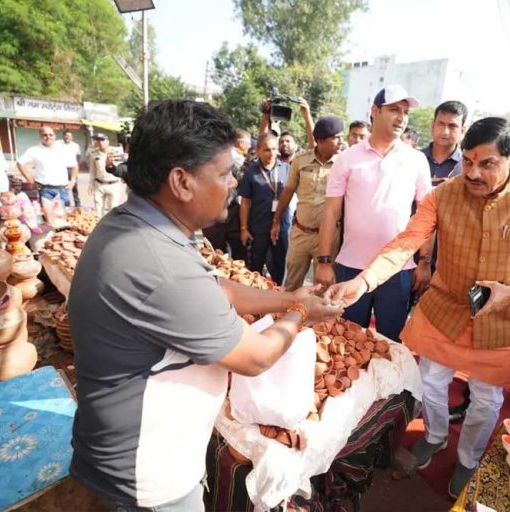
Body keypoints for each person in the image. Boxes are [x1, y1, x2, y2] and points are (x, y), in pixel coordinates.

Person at [68, 99, 343, 511]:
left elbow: (219, 288)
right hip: (146, 474)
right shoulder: (158, 262)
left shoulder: (139, 226)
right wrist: (303, 314)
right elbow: (255, 357)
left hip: (129, 450)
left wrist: (291, 297)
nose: (233, 182)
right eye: (223, 173)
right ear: (181, 182)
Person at [327, 117, 510, 497]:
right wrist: (363, 281)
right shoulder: (443, 195)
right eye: (468, 161)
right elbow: (406, 242)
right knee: (429, 381)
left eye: (486, 164)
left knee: (486, 400)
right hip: (444, 309)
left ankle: (469, 459)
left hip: (502, 320)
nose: (472, 173)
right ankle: (436, 436)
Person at [314, 85, 432, 343]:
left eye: (405, 112)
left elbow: (426, 216)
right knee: (345, 340)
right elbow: (331, 211)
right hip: (351, 267)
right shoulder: (347, 158)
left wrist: (424, 262)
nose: (401, 118)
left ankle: (391, 386)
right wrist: (324, 261)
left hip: (398, 269)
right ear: (375, 111)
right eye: (394, 110)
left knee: (390, 342)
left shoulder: (416, 160)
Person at [270, 116, 344, 291]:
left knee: (323, 289)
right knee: (291, 285)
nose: (341, 141)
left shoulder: (343, 163)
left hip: (328, 238)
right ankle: (286, 317)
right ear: (320, 140)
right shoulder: (300, 160)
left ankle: (315, 320)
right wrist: (276, 221)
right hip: (300, 233)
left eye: (341, 136)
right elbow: (287, 192)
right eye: (335, 137)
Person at [238, 133, 291, 285]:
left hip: (281, 228)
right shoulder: (251, 172)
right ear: (258, 150)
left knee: (279, 266)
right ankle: (256, 300)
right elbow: (245, 202)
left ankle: (276, 298)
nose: (272, 154)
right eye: (267, 150)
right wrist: (243, 228)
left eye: (275, 149)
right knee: (256, 266)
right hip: (258, 228)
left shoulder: (287, 169)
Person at [202, 129, 251, 261]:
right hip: (217, 210)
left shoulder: (219, 156)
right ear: (240, 143)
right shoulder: (233, 158)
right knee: (219, 253)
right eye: (248, 143)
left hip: (230, 210)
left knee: (217, 255)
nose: (249, 147)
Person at [17, 126, 77, 205]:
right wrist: (30, 180)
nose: (48, 137)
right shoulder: (34, 150)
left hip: (63, 190)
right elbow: (20, 163)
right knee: (47, 215)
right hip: (45, 190)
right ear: (40, 136)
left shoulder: (63, 149)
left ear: (54, 136)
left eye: (51, 135)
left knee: (64, 214)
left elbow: (74, 165)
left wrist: (72, 180)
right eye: (45, 135)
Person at [420, 100, 468, 186]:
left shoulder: (466, 166)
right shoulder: (413, 158)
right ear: (433, 125)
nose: (445, 132)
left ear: (462, 131)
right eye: (441, 124)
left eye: (452, 126)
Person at [87, 133, 123, 217]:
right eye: (97, 140)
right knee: (98, 211)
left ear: (108, 141)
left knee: (113, 210)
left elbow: (121, 167)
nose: (100, 142)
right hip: (99, 184)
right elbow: (92, 171)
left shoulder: (116, 152)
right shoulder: (94, 154)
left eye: (102, 140)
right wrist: (90, 184)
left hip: (114, 184)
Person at [57, 130, 82, 207]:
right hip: (62, 168)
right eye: (66, 136)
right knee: (62, 186)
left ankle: (77, 203)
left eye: (70, 136)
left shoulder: (76, 145)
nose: (68, 137)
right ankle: (65, 203)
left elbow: (78, 156)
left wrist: (76, 164)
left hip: (72, 169)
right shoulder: (58, 144)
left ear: (72, 137)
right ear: (63, 136)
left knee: (74, 185)